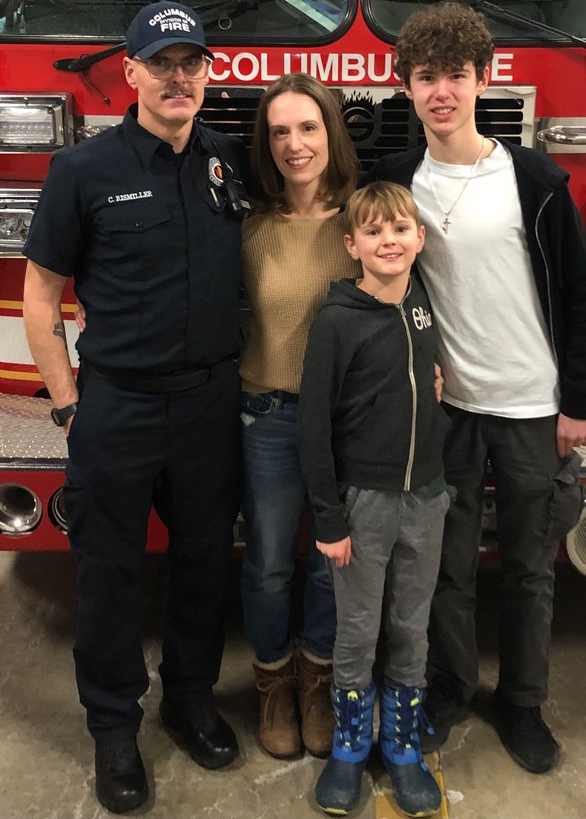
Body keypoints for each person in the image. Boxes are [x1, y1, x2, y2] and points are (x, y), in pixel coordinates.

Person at [368, 0, 586, 774]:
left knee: (534, 568)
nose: (443, 91)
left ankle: (524, 704)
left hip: (533, 410)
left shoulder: (533, 179)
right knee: (447, 566)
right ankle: (451, 687)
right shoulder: (399, 186)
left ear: (483, 79)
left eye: (457, 76)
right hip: (451, 411)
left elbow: (583, 293)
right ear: (406, 86)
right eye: (427, 77)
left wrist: (578, 402)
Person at [22, 1, 249, 815]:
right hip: (115, 405)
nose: (179, 77)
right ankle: (114, 728)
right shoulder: (83, 172)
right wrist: (69, 405)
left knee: (199, 565)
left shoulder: (227, 160)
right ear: (133, 73)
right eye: (163, 63)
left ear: (207, 72)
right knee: (111, 574)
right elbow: (40, 297)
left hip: (210, 406)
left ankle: (189, 700)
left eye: (192, 62)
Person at [297, 181, 450, 818]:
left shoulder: (421, 302)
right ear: (351, 244)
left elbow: (424, 380)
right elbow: (314, 426)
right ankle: (351, 747)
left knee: (412, 626)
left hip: (427, 497)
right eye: (374, 232)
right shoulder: (336, 321)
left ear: (419, 239)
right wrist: (330, 517)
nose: (389, 241)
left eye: (400, 229)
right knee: (358, 629)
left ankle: (403, 743)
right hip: (365, 503)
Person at [239, 73, 359, 760]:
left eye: (307, 127)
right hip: (269, 416)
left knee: (328, 563)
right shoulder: (248, 224)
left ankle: (317, 678)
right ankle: (273, 684)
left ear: (330, 133)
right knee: (268, 564)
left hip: (345, 422)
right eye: (279, 131)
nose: (294, 143)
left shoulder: (362, 220)